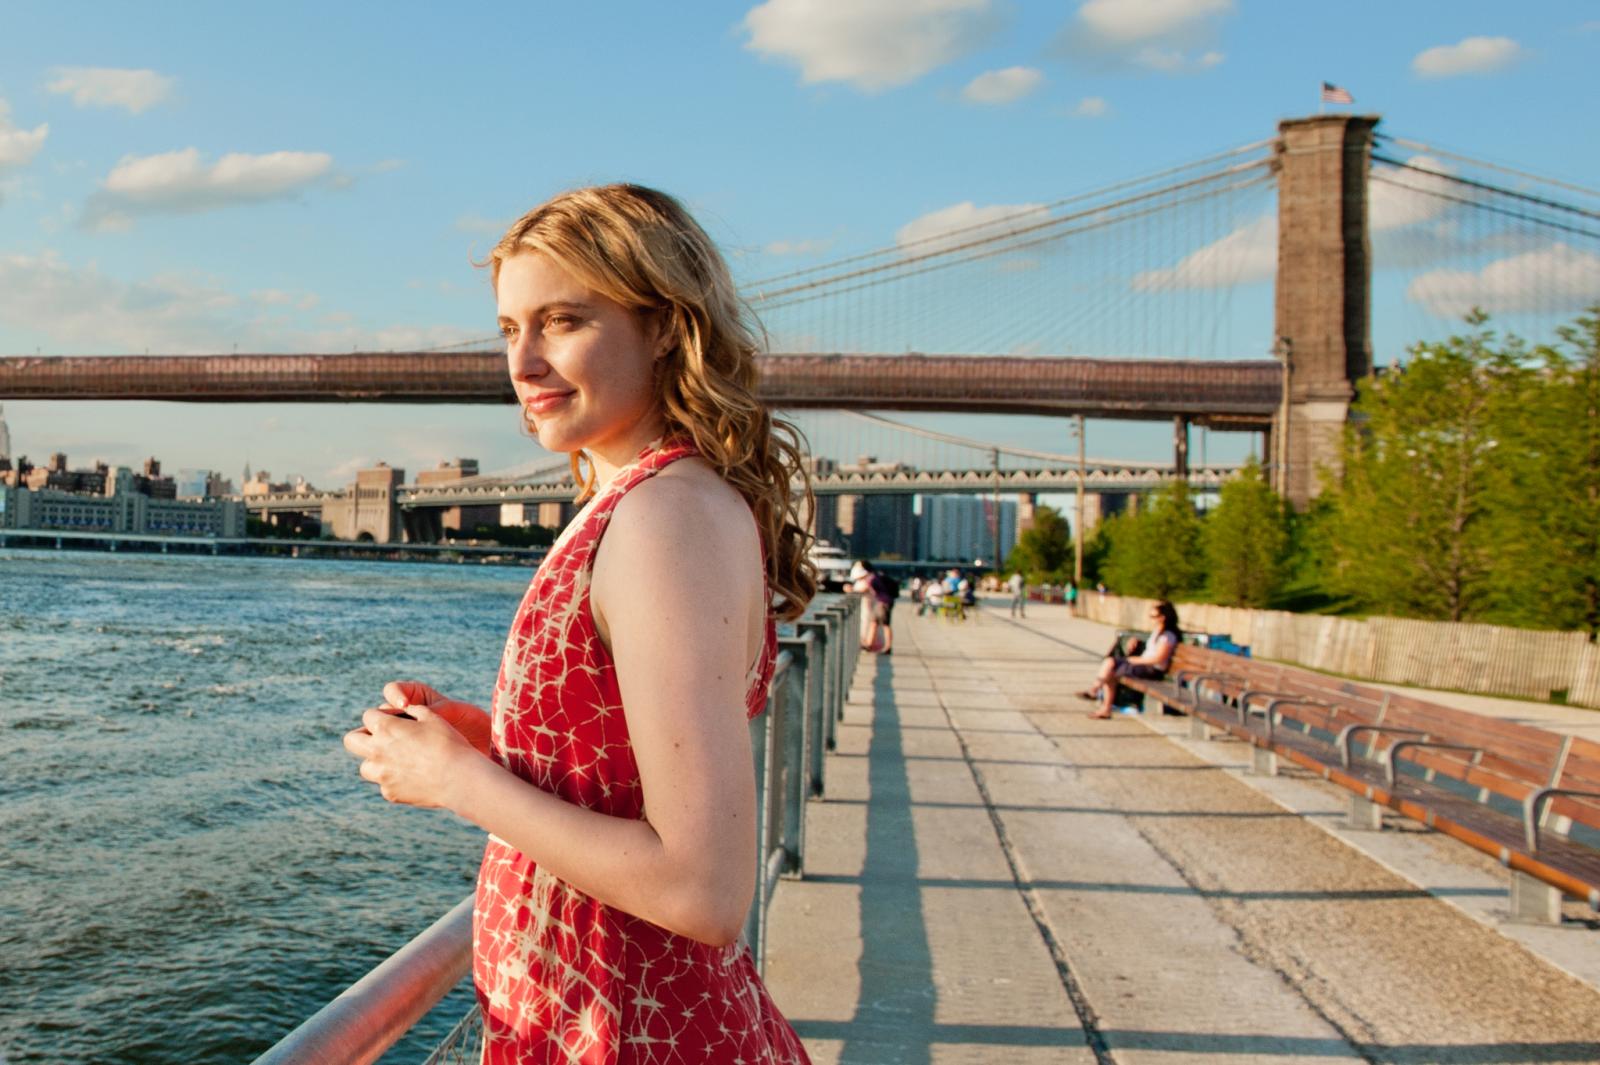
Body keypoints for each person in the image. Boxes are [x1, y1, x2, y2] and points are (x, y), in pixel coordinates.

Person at [342, 184, 814, 1064]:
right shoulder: (641, 500)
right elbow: (629, 769)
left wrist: (457, 781)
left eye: (561, 321)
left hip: (635, 1038)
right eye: (508, 329)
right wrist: (499, 749)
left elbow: (704, 888)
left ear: (665, 326)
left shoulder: (664, 517)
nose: (523, 363)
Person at [1079, 600, 1181, 719]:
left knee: (1111, 670)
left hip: (1151, 670)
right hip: (1144, 666)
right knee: (1110, 663)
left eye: (1153, 616)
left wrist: (1134, 660)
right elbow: (1151, 649)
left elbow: (1158, 659)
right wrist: (1136, 641)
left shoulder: (1168, 636)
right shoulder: (1158, 631)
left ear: (1162, 618)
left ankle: (1098, 696)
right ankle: (1097, 695)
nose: (1151, 619)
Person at [852, 559, 896, 654]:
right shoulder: (875, 575)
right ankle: (869, 644)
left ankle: (888, 647)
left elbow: (865, 589)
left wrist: (851, 590)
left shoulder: (871, 578)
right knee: (874, 622)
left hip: (884, 602)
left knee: (885, 625)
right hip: (881, 602)